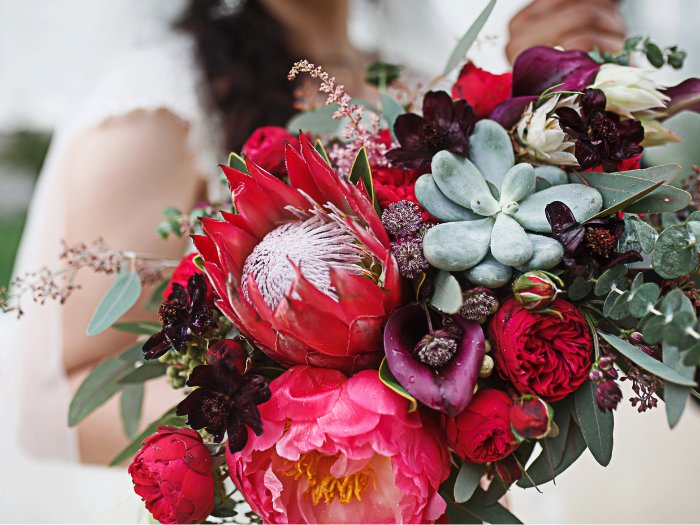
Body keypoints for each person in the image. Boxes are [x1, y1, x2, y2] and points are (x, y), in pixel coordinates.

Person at [0, 0, 634, 521]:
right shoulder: (161, 100)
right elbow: (48, 403)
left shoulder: (416, 81)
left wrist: (539, 87)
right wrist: (298, 439)